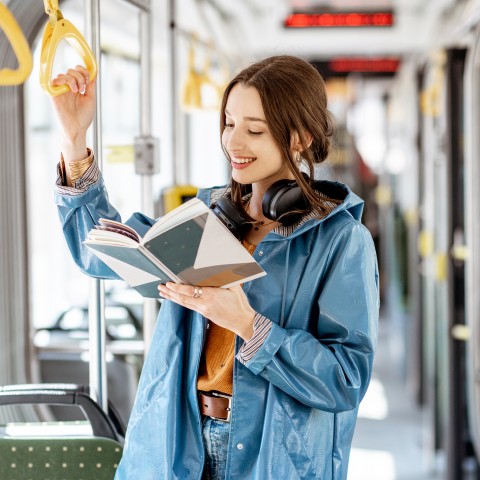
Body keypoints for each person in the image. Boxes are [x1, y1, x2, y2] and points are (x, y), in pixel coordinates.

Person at [51, 55, 379, 480]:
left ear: (300, 138)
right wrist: (74, 140)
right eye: (229, 124)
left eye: (254, 130)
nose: (233, 143)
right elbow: (96, 248)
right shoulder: (207, 218)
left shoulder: (340, 242)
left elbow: (345, 380)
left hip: (273, 453)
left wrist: (250, 327)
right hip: (176, 437)